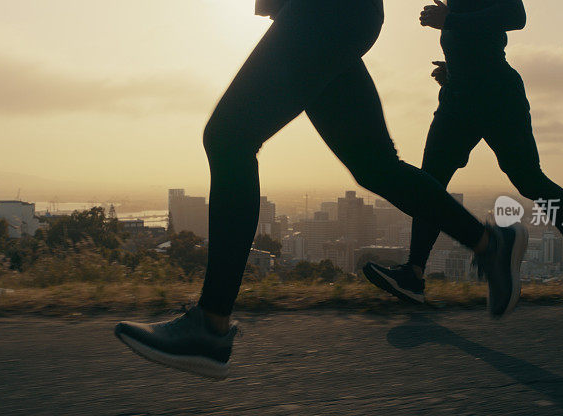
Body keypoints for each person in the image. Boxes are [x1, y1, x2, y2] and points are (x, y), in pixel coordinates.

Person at [114, 0, 527, 380]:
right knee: (375, 167)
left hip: (325, 11)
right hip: (334, 14)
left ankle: (209, 325)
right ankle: (490, 244)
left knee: (229, 138)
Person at [363, 0, 563, 306]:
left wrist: (451, 20)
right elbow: (477, 39)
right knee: (429, 183)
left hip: (498, 98)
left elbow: (515, 15)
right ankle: (414, 274)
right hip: (458, 99)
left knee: (528, 179)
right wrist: (452, 68)